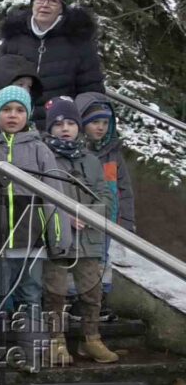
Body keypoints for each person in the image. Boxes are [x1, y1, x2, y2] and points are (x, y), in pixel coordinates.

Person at [0, 86, 69, 372]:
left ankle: (30, 355)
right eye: (7, 110)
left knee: (30, 296)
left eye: (20, 110)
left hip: (31, 240)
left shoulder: (40, 150)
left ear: (28, 115)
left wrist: (57, 237)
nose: (13, 115)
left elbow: (54, 197)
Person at [40, 97, 118, 365]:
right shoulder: (44, 157)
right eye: (59, 124)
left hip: (89, 236)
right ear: (50, 128)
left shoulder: (91, 160)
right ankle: (56, 340)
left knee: (91, 291)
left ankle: (92, 339)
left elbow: (105, 195)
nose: (65, 129)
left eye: (71, 123)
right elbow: (42, 196)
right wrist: (65, 216)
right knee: (55, 291)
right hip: (58, 235)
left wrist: (88, 214)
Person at [0, 0, 105, 128]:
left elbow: (91, 89)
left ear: (62, 8)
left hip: (59, 126)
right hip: (15, 123)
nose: (45, 5)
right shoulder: (14, 36)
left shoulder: (78, 41)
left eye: (53, 1)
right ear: (32, 3)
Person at [76, 92, 135, 322]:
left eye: (104, 123)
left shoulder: (114, 154)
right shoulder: (76, 152)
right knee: (81, 260)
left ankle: (99, 299)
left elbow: (124, 189)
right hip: (81, 219)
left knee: (102, 259)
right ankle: (76, 300)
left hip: (107, 219)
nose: (100, 127)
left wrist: (127, 221)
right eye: (94, 122)